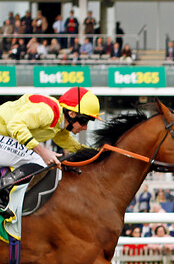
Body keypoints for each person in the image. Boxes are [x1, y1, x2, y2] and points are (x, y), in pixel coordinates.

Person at [0, 87, 100, 219]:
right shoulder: (47, 112)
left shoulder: (58, 122)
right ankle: (2, 192)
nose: (85, 127)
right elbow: (15, 125)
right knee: (39, 161)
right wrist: (42, 151)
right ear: (71, 114)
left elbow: (69, 143)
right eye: (84, 121)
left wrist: (97, 153)